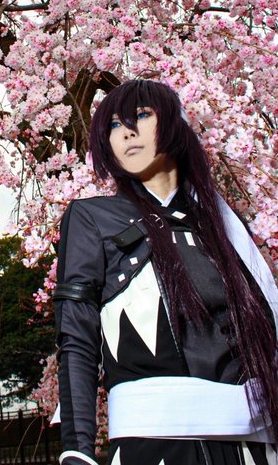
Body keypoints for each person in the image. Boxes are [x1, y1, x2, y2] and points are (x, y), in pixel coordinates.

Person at [53, 79, 278, 465]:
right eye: (113, 125)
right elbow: (77, 338)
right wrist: (77, 449)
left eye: (141, 115)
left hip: (254, 446)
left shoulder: (226, 228)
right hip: (154, 445)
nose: (126, 132)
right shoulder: (92, 219)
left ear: (175, 123)